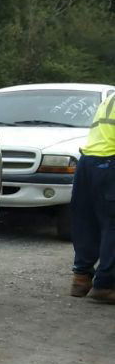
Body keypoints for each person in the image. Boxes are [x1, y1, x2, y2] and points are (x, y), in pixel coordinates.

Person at [70, 92, 115, 303]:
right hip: (110, 161)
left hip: (88, 161)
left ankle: (81, 278)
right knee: (112, 224)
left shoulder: (110, 98)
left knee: (86, 221)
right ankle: (106, 285)